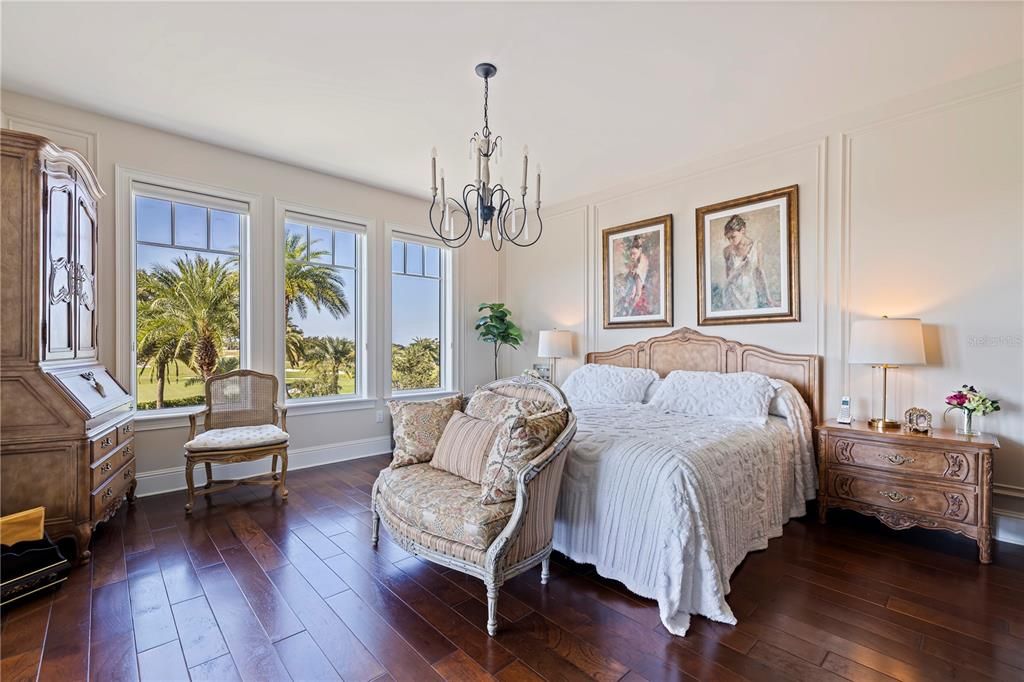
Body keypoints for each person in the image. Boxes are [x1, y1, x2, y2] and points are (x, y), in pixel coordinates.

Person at [721, 215, 775, 310]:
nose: (731, 241)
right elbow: (728, 277)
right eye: (728, 238)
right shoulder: (727, 250)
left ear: (742, 230)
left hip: (749, 293)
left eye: (733, 237)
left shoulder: (756, 246)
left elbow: (760, 272)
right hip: (732, 294)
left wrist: (768, 298)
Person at [615, 235, 655, 317]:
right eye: (631, 254)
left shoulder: (639, 270)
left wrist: (630, 308)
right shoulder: (638, 261)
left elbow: (638, 294)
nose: (632, 257)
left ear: (640, 250)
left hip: (636, 300)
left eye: (634, 254)